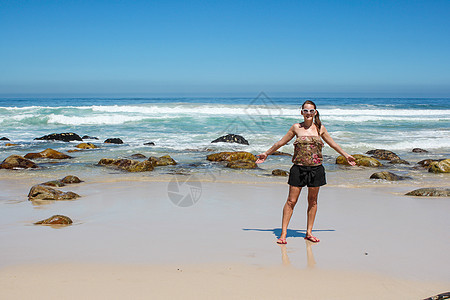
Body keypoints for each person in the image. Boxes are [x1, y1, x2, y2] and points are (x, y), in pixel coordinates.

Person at [256, 100, 356, 244]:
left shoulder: (320, 128)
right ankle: (283, 234)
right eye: (305, 110)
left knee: (313, 201)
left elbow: (332, 143)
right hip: (298, 169)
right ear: (301, 112)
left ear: (315, 112)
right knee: (291, 201)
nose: (308, 113)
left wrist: (346, 155)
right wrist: (266, 153)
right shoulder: (296, 127)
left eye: (311, 111)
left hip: (316, 169)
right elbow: (280, 143)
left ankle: (309, 232)